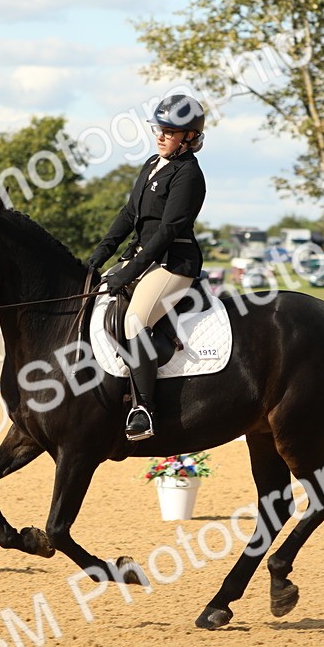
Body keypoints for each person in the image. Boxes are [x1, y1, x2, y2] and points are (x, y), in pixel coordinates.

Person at [88, 94, 207, 441]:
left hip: (173, 262)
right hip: (142, 257)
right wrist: (100, 255)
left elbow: (168, 231)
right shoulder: (152, 164)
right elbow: (129, 214)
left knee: (135, 319)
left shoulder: (188, 175)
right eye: (160, 129)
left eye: (170, 132)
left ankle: (144, 410)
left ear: (189, 137)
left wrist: (127, 272)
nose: (161, 136)